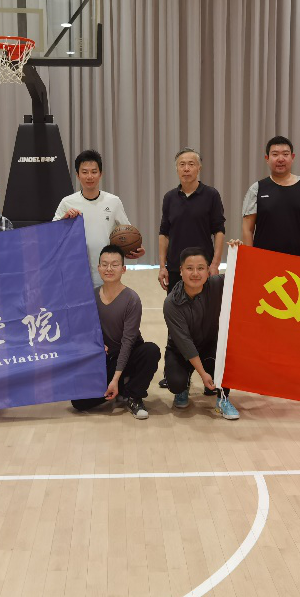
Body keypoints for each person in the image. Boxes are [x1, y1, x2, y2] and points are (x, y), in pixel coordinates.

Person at [71, 246, 161, 419]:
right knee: (79, 402)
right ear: (98, 268)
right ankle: (123, 386)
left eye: (114, 265)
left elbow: (128, 342)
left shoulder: (132, 299)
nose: (109, 269)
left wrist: (114, 379)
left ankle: (134, 396)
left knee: (151, 351)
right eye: (104, 264)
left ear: (123, 269)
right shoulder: (91, 297)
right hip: (106, 358)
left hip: (130, 354)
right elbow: (84, 331)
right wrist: (96, 344)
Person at [163, 246, 240, 420]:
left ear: (208, 270)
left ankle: (223, 399)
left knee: (227, 356)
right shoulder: (171, 303)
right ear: (181, 270)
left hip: (209, 347)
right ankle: (184, 385)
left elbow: (242, 274)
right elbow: (185, 343)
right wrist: (203, 374)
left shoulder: (217, 284)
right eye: (189, 268)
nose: (195, 273)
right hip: (181, 351)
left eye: (200, 268)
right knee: (176, 383)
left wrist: (239, 250)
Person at [54, 149, 145, 286]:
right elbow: (52, 237)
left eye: (94, 172)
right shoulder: (67, 203)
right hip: (74, 272)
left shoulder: (113, 201)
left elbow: (126, 233)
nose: (89, 176)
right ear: (78, 175)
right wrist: (64, 221)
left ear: (100, 174)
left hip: (106, 272)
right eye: (85, 172)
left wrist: (135, 248)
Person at [241, 136, 300, 259]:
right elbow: (247, 228)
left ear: (292, 157)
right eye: (275, 154)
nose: (280, 159)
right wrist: (250, 260)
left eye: (285, 154)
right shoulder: (257, 188)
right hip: (264, 261)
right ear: (267, 158)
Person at [158, 147, 226, 293]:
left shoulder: (211, 195)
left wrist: (215, 264)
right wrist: (162, 266)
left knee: (205, 307)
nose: (186, 169)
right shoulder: (169, 197)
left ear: (199, 168)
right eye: (182, 164)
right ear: (177, 169)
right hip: (176, 268)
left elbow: (219, 231)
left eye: (191, 164)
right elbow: (164, 233)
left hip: (202, 268)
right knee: (176, 307)